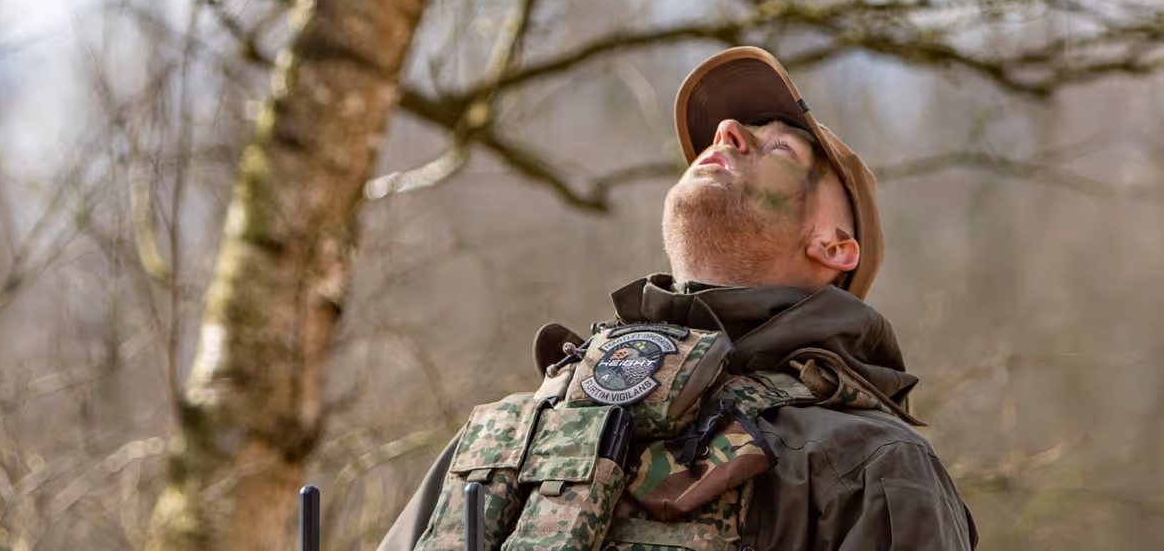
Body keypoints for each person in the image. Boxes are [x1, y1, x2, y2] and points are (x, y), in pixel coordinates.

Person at [377, 47, 977, 550]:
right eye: (730, 133)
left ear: (834, 244)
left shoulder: (870, 467)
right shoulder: (503, 441)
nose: (727, 132)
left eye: (780, 149)